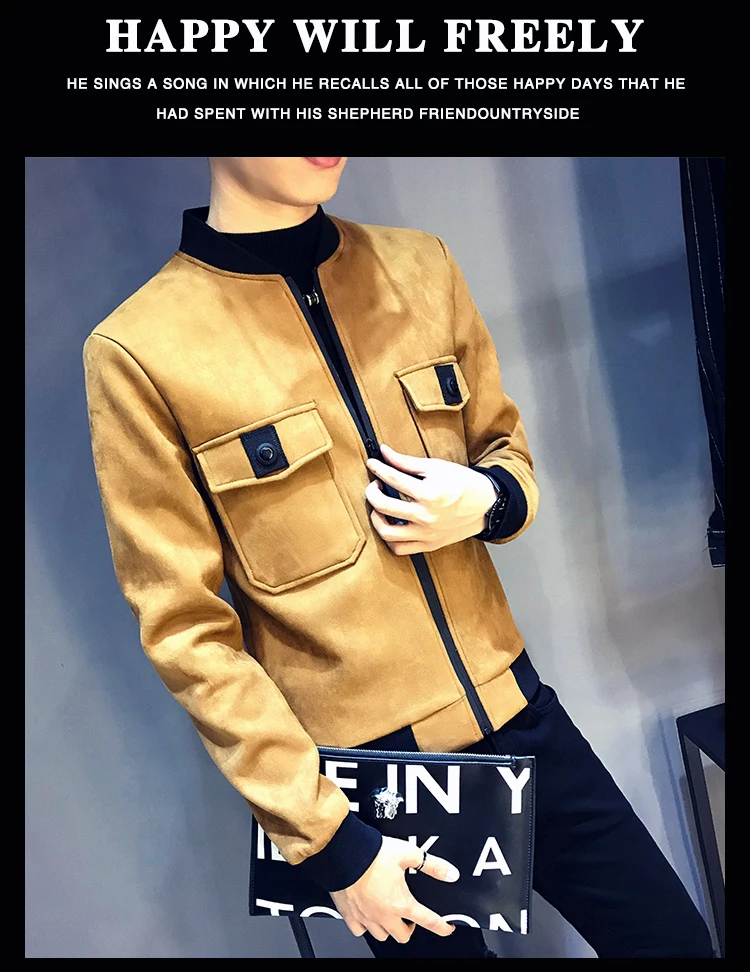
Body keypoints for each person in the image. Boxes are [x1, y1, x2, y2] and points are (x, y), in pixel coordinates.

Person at [83, 157, 714, 959]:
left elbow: (505, 449)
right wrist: (329, 841)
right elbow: (186, 634)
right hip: (374, 789)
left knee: (675, 942)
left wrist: (488, 498)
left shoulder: (421, 267)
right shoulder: (140, 351)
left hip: (519, 714)